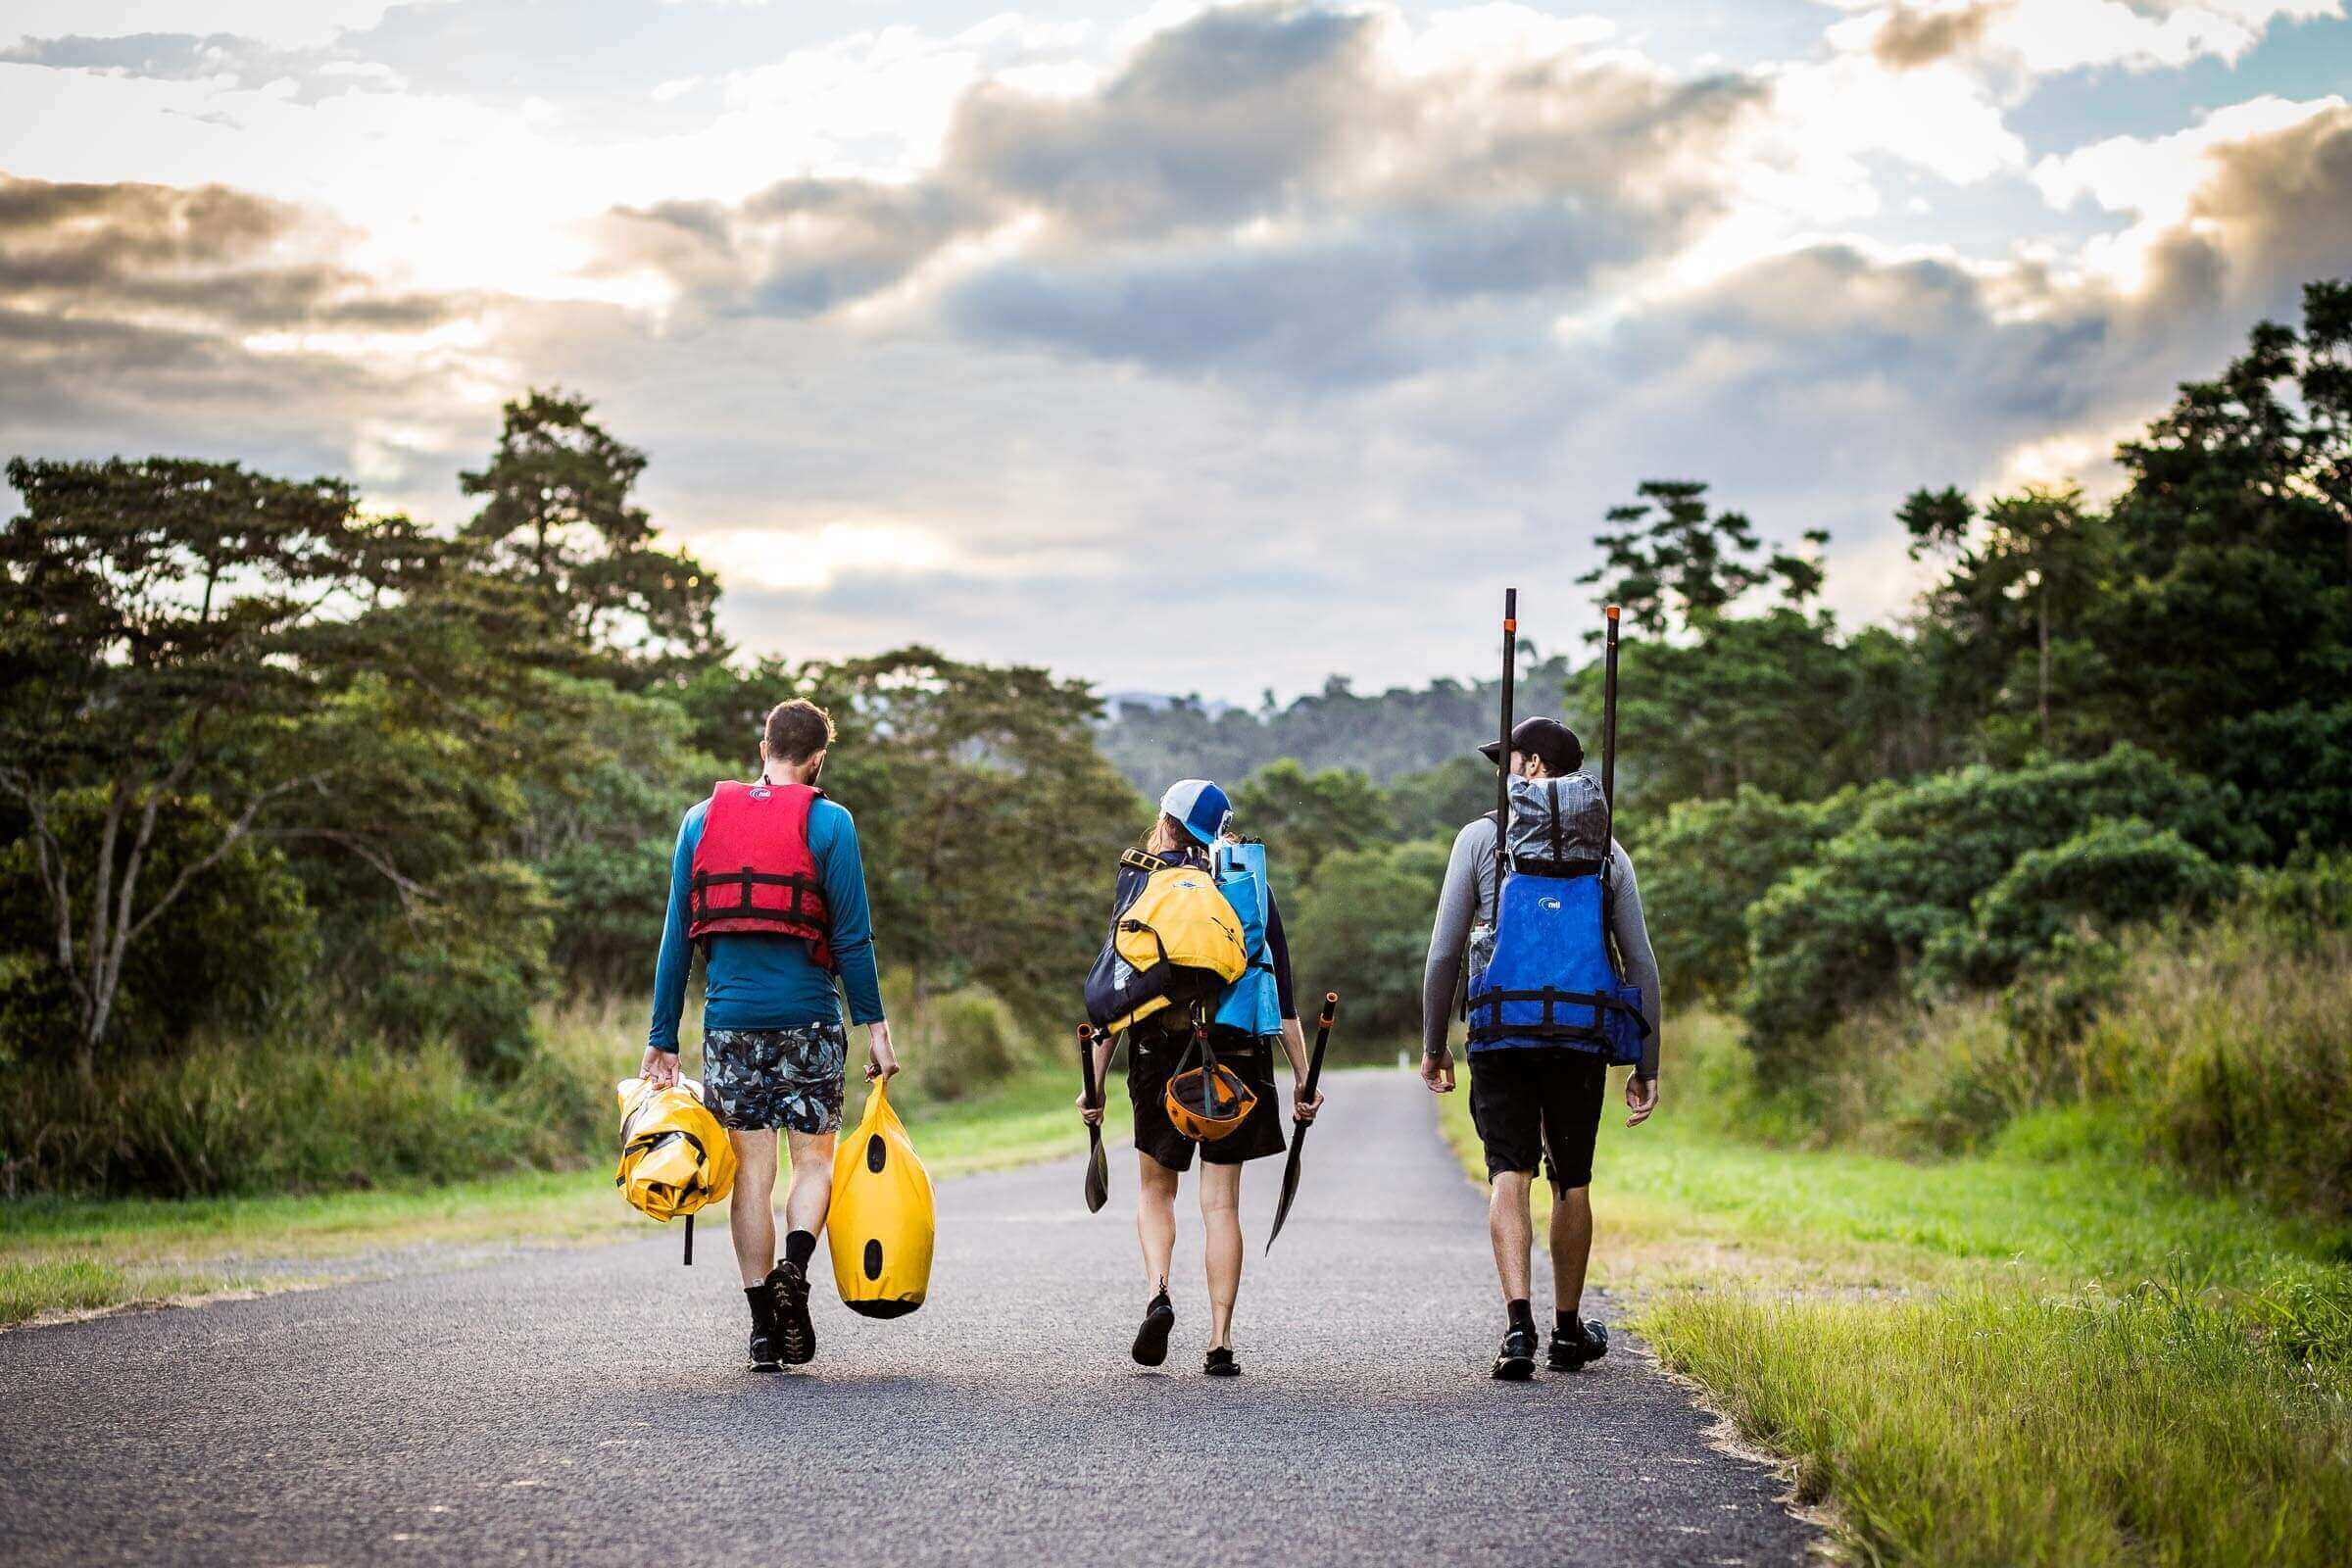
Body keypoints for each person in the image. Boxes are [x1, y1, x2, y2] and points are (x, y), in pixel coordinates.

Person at [640, 698, 897, 1372]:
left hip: (729, 1026)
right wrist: (876, 1027)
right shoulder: (832, 822)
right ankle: (797, 1270)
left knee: (751, 1175)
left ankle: (761, 1329)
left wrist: (661, 1037)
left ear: (763, 747)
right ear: (817, 761)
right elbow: (852, 937)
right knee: (813, 1163)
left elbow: (677, 938)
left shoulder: (699, 821)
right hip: (810, 1022)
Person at [1419, 716, 1661, 1380]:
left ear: (1532, 768)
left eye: (1512, 760)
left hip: (1501, 1031)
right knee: (1572, 1181)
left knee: (1509, 1174)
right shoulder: (1608, 852)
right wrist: (1648, 1063)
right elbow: (1640, 965)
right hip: (1581, 1034)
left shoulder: (1480, 839)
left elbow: (1443, 954)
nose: (1504, 772)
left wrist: (1435, 1043)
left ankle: (1518, 1328)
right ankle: (1566, 1329)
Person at [1079, 778, 1323, 1377]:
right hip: (1236, 1052)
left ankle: (1160, 1292)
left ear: (1164, 823)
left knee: (1156, 1191)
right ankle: (1220, 1342)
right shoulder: (1249, 885)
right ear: (1220, 832)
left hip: (1159, 1052)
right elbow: (1281, 997)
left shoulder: (1140, 882)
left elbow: (1118, 996)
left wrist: (1094, 1086)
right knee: (1221, 1205)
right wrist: (1302, 1078)